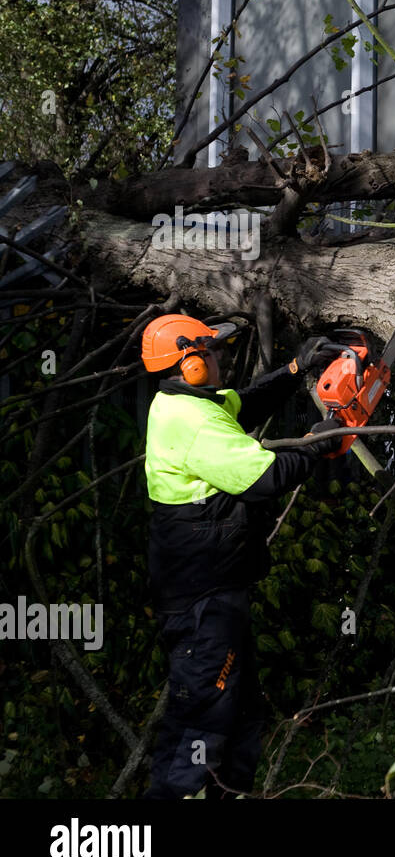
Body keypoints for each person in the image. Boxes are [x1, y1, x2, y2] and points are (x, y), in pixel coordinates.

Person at [138, 314, 341, 799]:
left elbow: (241, 406)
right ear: (190, 364)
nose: (220, 357)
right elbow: (264, 479)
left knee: (241, 717)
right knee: (201, 724)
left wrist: (294, 370)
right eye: (211, 351)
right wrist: (316, 447)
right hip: (201, 602)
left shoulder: (186, 402)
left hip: (217, 591)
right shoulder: (189, 421)